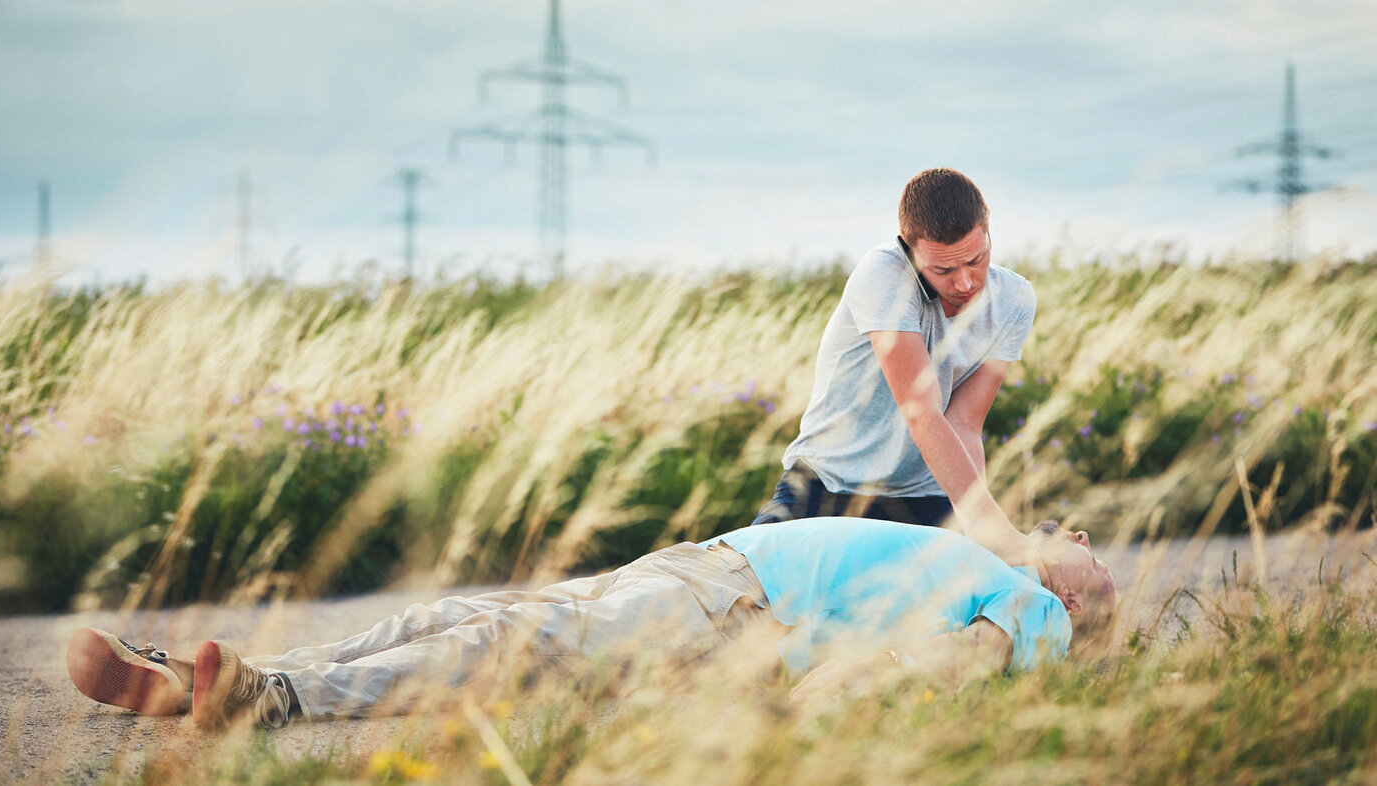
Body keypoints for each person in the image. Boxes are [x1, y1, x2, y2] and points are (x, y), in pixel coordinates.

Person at [67, 517, 1115, 729]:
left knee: (491, 646)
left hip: (730, 606)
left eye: (1085, 549)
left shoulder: (1030, 606)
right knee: (453, 613)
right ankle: (209, 678)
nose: (1067, 529)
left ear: (1074, 600)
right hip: (697, 570)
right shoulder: (982, 555)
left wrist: (820, 695)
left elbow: (965, 662)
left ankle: (267, 701)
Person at [754, 168, 1036, 555]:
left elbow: (964, 424)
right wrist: (1000, 536)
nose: (966, 283)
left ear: (988, 233)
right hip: (827, 483)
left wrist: (985, 535)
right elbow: (922, 413)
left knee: (970, 602)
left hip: (921, 496)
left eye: (976, 259)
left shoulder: (1016, 301)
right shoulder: (883, 274)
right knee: (748, 594)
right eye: (943, 270)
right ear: (908, 248)